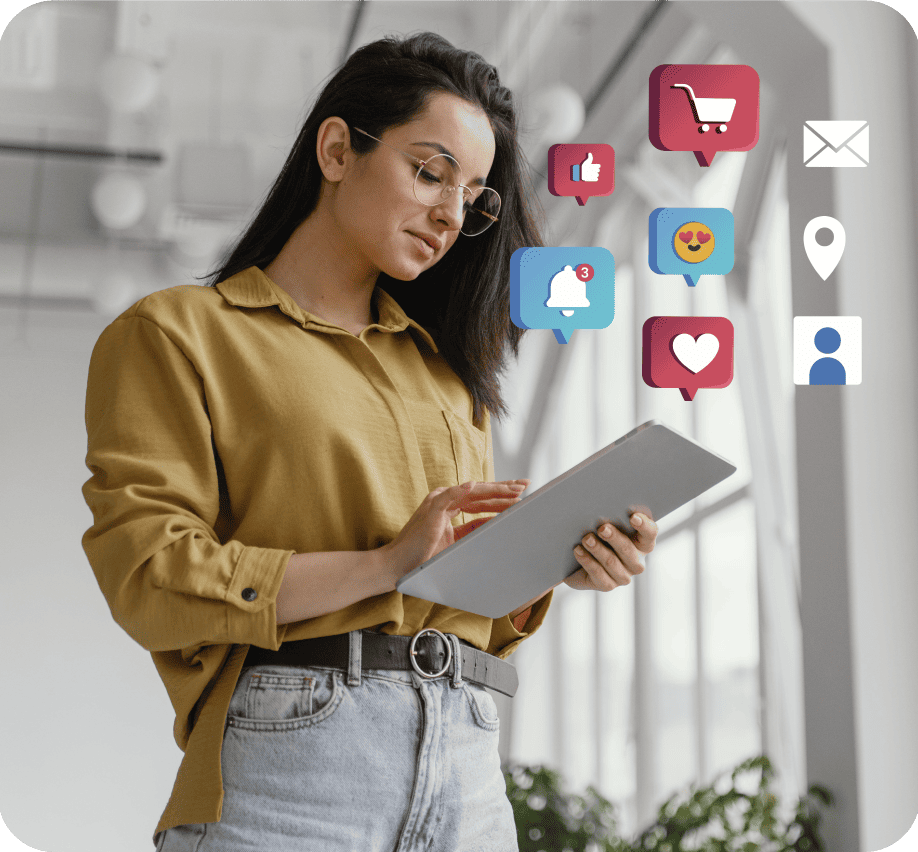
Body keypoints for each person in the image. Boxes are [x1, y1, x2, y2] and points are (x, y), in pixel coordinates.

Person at [81, 32, 657, 852]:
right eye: (430, 173)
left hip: (470, 765)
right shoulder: (178, 334)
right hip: (292, 771)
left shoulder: (449, 376)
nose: (453, 215)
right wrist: (386, 565)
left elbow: (466, 610)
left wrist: (552, 563)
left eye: (474, 197)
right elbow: (150, 578)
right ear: (337, 148)